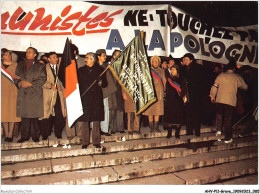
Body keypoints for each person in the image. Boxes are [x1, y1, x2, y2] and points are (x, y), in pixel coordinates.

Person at [210, 59, 248, 143]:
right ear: (234, 68)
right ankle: (228, 138)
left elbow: (215, 86)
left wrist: (212, 96)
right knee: (228, 119)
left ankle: (219, 132)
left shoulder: (221, 75)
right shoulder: (237, 77)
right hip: (230, 101)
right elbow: (245, 87)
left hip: (219, 100)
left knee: (219, 116)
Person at [15, 47, 46, 143]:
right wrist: (19, 83)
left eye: (29, 52)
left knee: (34, 116)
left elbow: (42, 78)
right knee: (25, 116)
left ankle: (35, 136)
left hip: (34, 93)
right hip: (23, 93)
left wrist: (31, 84)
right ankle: (24, 136)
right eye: (27, 52)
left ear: (35, 54)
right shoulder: (21, 64)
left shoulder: (40, 65)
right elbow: (16, 76)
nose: (27, 53)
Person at [77, 52, 108, 149]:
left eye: (86, 58)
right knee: (85, 121)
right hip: (85, 98)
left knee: (96, 121)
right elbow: (77, 84)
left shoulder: (101, 70)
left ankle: (96, 141)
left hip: (96, 98)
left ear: (92, 59)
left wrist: (101, 82)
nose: (85, 59)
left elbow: (105, 84)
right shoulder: (80, 70)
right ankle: (85, 142)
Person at [39, 52, 66, 140]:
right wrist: (50, 85)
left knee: (59, 114)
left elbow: (63, 81)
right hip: (48, 93)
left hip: (58, 94)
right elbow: (40, 81)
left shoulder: (60, 68)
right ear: (49, 59)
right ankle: (45, 134)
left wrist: (60, 86)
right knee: (46, 114)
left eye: (56, 57)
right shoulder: (43, 68)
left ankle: (58, 133)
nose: (56, 59)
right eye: (53, 57)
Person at [182, 53, 204, 137]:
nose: (185, 61)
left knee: (196, 114)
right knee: (188, 113)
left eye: (186, 59)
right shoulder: (183, 68)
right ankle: (189, 131)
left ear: (191, 60)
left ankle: (197, 131)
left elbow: (200, 82)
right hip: (187, 94)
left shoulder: (198, 68)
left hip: (196, 95)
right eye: (184, 59)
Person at [1, 48, 21, 142]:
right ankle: (5, 133)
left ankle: (10, 134)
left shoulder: (16, 65)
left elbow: (20, 76)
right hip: (2, 91)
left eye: (9, 54)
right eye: (6, 55)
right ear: (2, 57)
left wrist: (16, 78)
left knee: (12, 112)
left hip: (13, 91)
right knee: (4, 113)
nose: (8, 56)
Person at [96, 49, 117, 136]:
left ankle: (105, 129)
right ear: (98, 57)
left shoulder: (107, 67)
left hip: (105, 92)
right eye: (103, 55)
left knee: (106, 110)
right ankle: (96, 130)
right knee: (96, 111)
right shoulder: (94, 66)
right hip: (96, 93)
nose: (105, 57)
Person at [142, 55, 166, 132]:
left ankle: (156, 126)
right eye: (154, 60)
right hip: (150, 93)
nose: (155, 62)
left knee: (158, 110)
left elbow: (164, 81)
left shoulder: (162, 71)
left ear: (159, 63)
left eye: (157, 61)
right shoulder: (147, 70)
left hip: (159, 92)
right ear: (151, 62)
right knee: (150, 110)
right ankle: (151, 126)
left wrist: (164, 91)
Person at [164, 65, 187, 138]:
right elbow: (166, 89)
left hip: (178, 101)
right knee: (169, 118)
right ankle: (169, 133)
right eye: (171, 70)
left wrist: (181, 95)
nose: (172, 71)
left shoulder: (181, 79)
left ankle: (177, 133)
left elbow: (184, 89)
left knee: (178, 118)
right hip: (170, 101)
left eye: (174, 70)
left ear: (177, 71)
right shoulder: (169, 80)